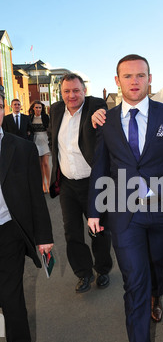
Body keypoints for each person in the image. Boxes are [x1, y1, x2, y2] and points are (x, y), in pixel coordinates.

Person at [88, 54, 163, 342]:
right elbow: (100, 168)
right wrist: (93, 209)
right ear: (117, 81)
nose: (134, 80)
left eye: (140, 75)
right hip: (123, 213)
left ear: (150, 78)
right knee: (134, 281)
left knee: (157, 267)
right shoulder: (107, 121)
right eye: (127, 76)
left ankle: (156, 294)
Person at [0, 89, 53, 342]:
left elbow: (36, 197)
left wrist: (44, 238)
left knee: (11, 298)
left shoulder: (20, 148)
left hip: (8, 232)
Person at [48, 73, 112, 294]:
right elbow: (52, 139)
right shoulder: (55, 110)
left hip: (92, 185)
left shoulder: (94, 104)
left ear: (84, 90)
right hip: (67, 185)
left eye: (76, 90)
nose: (71, 95)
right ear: (61, 93)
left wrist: (100, 112)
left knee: (99, 230)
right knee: (72, 232)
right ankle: (83, 273)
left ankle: (102, 269)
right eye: (67, 91)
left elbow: (101, 107)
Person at [29, 100, 51, 193]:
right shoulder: (30, 117)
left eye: (40, 107)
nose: (38, 109)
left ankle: (49, 184)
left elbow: (49, 129)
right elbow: (28, 128)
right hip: (35, 141)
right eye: (36, 107)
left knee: (45, 163)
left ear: (42, 108)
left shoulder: (45, 117)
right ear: (33, 108)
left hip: (45, 140)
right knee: (39, 165)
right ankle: (43, 185)